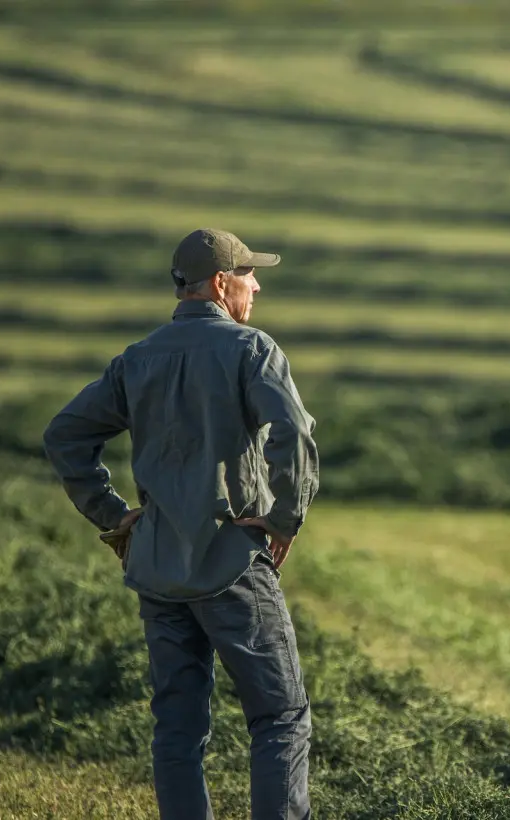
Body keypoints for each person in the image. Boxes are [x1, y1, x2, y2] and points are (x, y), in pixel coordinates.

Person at [43, 228, 319, 820]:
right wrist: (283, 518)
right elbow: (294, 435)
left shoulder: (138, 359)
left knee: (177, 731)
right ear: (222, 283)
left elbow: (64, 435)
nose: (258, 284)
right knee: (281, 718)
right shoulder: (252, 350)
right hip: (232, 562)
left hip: (157, 567)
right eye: (249, 274)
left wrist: (116, 516)